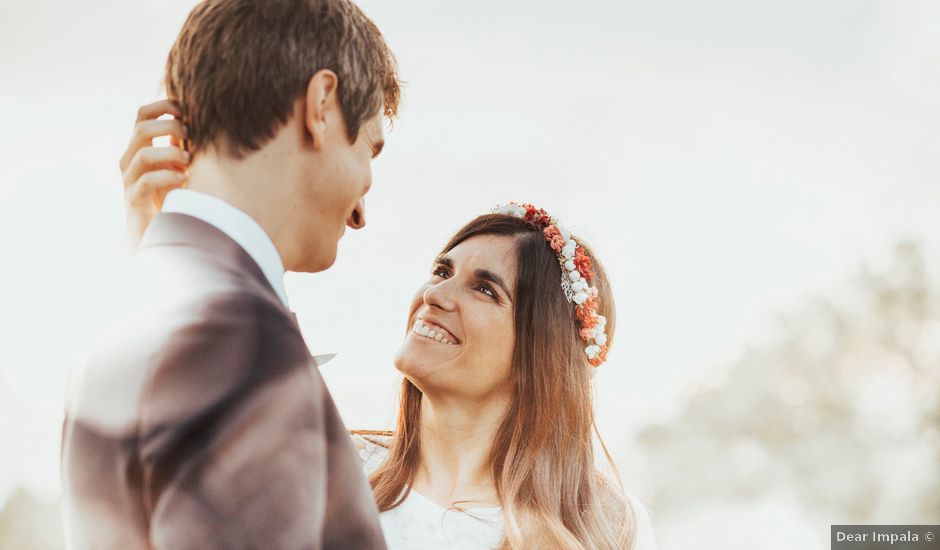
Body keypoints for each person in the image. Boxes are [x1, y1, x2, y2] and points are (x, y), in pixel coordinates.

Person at [122, 111, 658, 546]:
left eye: (485, 289)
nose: (435, 295)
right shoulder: (329, 467)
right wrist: (162, 240)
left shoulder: (607, 527)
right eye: (441, 271)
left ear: (539, 353)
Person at [60, 0, 400, 548]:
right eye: (370, 151)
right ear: (322, 104)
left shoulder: (134, 314)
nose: (362, 212)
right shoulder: (237, 337)